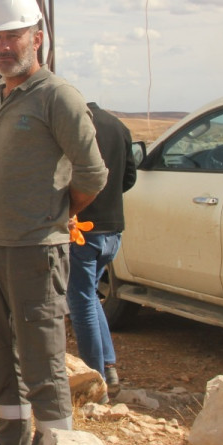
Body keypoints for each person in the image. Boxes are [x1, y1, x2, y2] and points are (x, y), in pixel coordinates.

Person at [0, 0, 107, 445]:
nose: (3, 47)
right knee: (0, 357)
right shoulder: (2, 94)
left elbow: (93, 172)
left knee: (43, 364)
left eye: (13, 36)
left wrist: (58, 213)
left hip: (37, 250)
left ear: (37, 38)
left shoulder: (57, 97)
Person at [68, 102, 136, 395]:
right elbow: (129, 178)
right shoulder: (118, 125)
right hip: (113, 229)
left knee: (81, 302)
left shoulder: (75, 125)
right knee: (91, 296)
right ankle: (108, 365)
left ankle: (95, 376)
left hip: (84, 229)